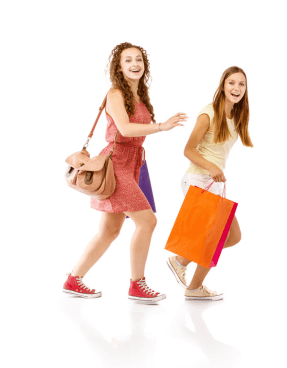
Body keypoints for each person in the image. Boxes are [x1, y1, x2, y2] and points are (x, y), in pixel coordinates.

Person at [62, 42, 187, 302]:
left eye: (139, 59)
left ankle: (73, 280)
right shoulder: (115, 93)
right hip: (116, 163)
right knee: (148, 222)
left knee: (109, 231)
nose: (135, 64)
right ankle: (137, 284)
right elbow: (126, 130)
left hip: (133, 164)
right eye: (128, 60)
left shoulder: (140, 94)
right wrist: (162, 126)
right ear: (119, 67)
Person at [166, 66, 253, 301]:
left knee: (232, 236)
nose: (236, 88)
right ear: (223, 85)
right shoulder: (209, 113)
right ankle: (181, 264)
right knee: (216, 236)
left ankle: (191, 282)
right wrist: (212, 168)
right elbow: (188, 149)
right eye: (232, 83)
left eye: (241, 84)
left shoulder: (237, 116)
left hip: (214, 182)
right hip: (198, 178)